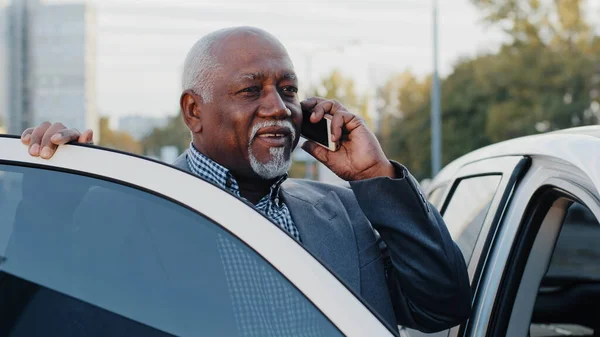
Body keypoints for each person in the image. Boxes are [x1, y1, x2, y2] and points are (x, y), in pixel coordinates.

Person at [21, 27, 471, 333]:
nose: (277, 107)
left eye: (289, 90)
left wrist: (377, 176)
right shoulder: (120, 207)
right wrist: (48, 200)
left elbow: (441, 307)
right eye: (251, 91)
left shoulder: (347, 213)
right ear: (194, 111)